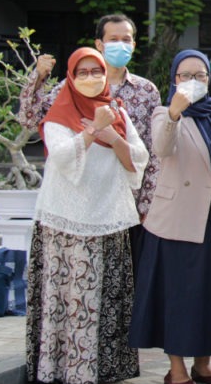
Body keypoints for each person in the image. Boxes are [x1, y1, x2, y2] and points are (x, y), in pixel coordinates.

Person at [25, 48, 149, 384]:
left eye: (97, 71)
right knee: (72, 297)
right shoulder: (59, 111)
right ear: (71, 76)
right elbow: (62, 157)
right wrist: (94, 130)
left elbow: (138, 159)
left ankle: (107, 369)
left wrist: (113, 137)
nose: (92, 78)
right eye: (83, 72)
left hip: (109, 216)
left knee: (107, 296)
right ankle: (70, 372)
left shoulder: (118, 111)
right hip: (67, 221)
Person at [129, 50, 211, 384]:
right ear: (174, 79)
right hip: (179, 218)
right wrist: (176, 114)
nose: (193, 81)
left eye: (200, 75)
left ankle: (204, 364)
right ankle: (176, 369)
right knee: (181, 294)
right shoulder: (164, 113)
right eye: (185, 75)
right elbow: (162, 149)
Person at [19, 14, 161, 270]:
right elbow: (31, 119)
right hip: (82, 203)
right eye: (113, 39)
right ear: (99, 44)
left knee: (125, 281)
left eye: (126, 39)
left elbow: (153, 151)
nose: (121, 45)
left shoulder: (146, 90)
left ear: (134, 44)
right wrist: (38, 78)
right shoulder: (71, 88)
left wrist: (147, 203)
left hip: (126, 203)